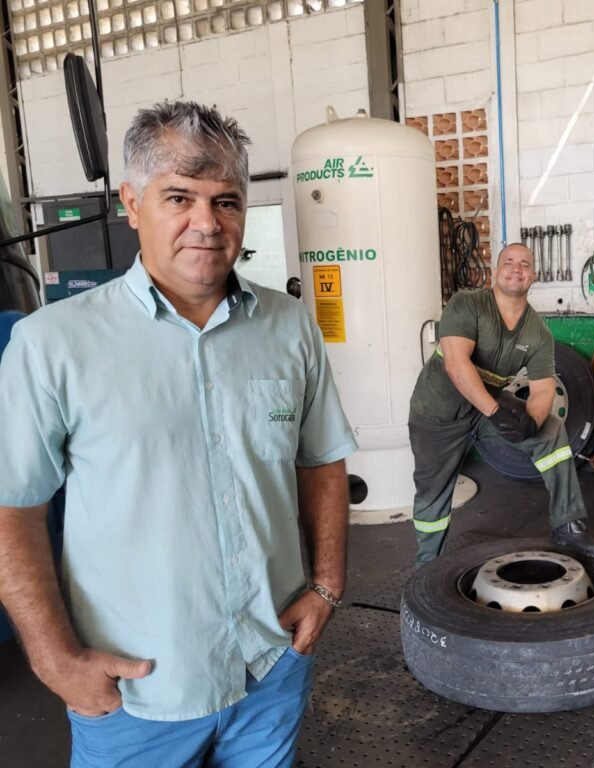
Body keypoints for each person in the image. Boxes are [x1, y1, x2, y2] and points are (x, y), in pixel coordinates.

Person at [0, 101, 357, 767]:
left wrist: (328, 585)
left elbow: (321, 460)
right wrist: (56, 661)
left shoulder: (288, 326)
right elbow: (10, 511)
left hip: (270, 668)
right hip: (137, 691)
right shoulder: (52, 344)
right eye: (179, 197)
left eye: (227, 200)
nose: (207, 223)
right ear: (131, 204)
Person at [408, 243, 594, 567]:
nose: (517, 268)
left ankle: (568, 524)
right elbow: (457, 366)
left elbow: (544, 390)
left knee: (550, 430)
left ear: (533, 276)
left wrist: (531, 419)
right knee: (433, 494)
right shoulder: (467, 304)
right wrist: (497, 413)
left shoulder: (538, 331)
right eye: (509, 262)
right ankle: (427, 568)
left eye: (525, 264)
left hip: (484, 411)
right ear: (495, 271)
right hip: (437, 413)